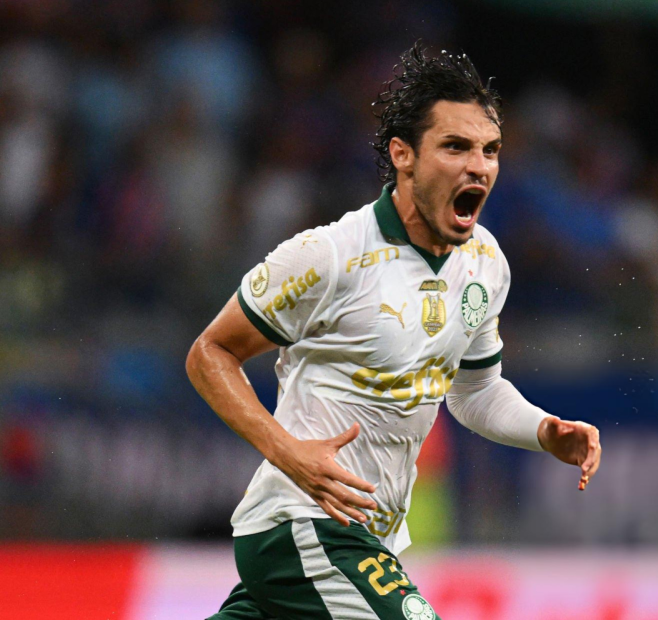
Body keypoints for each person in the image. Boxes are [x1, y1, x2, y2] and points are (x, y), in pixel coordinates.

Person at [186, 42, 602, 620]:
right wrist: (289, 452)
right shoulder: (330, 256)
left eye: (489, 150)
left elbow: (474, 390)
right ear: (403, 155)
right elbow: (210, 352)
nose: (478, 166)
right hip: (305, 524)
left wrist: (543, 430)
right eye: (455, 146)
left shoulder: (485, 263)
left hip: (371, 536)